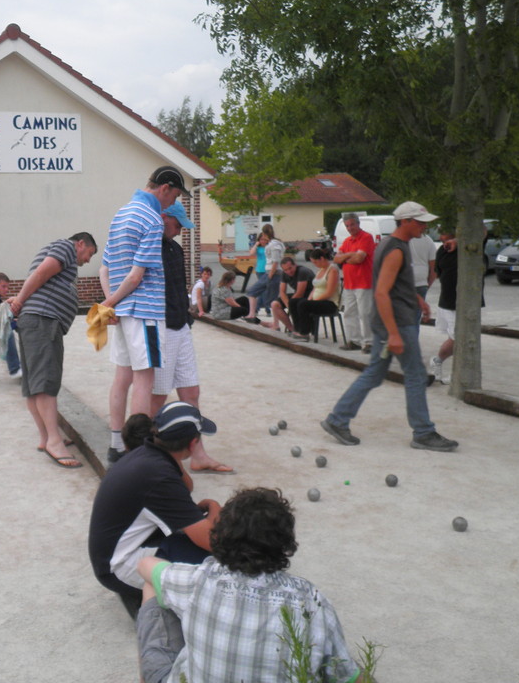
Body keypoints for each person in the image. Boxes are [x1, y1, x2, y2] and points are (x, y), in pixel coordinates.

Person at [135, 487, 360, 683]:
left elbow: (145, 564)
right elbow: (347, 676)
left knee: (153, 584)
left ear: (223, 535)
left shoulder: (201, 578)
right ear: (285, 543)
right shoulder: (311, 599)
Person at [320, 202, 459, 451]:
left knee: (374, 374)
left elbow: (393, 284)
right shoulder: (395, 249)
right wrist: (393, 333)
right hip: (396, 323)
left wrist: (417, 299)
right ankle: (423, 432)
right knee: (415, 376)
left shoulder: (395, 245)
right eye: (420, 222)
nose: (424, 226)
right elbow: (382, 292)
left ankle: (337, 420)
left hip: (394, 320)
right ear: (405, 222)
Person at [88, 401, 222, 618]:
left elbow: (186, 487)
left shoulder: (149, 453)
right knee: (220, 562)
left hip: (114, 553)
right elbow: (211, 540)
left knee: (200, 538)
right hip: (118, 568)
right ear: (193, 443)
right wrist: (216, 508)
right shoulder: (159, 476)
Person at [99, 166, 188, 465]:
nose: (171, 203)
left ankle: (115, 444)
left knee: (122, 377)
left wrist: (110, 304)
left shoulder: (121, 213)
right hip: (146, 311)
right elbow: (137, 276)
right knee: (144, 380)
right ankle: (136, 452)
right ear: (165, 187)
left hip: (123, 312)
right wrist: (110, 303)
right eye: (174, 195)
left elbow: (106, 267)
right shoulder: (151, 218)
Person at [151, 202, 233, 474]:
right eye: (176, 226)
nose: (178, 232)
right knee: (157, 396)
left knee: (191, 392)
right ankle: (147, 456)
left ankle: (198, 455)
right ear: (164, 218)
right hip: (161, 327)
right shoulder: (149, 245)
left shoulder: (176, 248)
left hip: (181, 326)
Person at [7, 232, 98, 469]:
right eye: (90, 253)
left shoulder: (62, 253)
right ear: (80, 244)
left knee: (33, 384)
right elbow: (41, 274)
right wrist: (19, 300)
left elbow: (42, 277)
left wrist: (21, 300)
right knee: (46, 382)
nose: (88, 260)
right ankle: (54, 442)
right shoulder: (65, 248)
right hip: (42, 322)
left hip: (36, 322)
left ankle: (46, 437)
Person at [333, 213, 375, 352]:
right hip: (349, 282)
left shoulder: (367, 237)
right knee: (349, 312)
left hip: (364, 281)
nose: (350, 228)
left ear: (358, 224)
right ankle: (354, 340)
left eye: (352, 224)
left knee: (365, 313)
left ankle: (369, 342)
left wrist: (345, 257)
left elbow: (359, 258)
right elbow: (336, 259)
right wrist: (351, 254)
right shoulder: (347, 241)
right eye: (347, 226)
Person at [289, 249, 340, 340]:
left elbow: (329, 292)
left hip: (329, 303)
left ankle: (304, 333)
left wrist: (314, 300)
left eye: (315, 262)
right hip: (317, 300)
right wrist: (309, 299)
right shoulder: (320, 270)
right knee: (294, 302)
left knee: (303, 304)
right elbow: (315, 288)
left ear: (322, 258)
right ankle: (298, 329)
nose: (315, 265)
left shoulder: (332, 271)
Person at [430, 228, 459, 384]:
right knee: (457, 338)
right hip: (449, 301)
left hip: (463, 301)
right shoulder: (443, 250)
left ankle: (440, 362)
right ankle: (438, 360)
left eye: (444, 235)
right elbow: (438, 272)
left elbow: (482, 232)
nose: (441, 238)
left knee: (457, 338)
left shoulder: (469, 246)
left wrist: (458, 242)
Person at [243, 224, 283, 323]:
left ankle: (275, 322)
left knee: (272, 299)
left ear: (265, 234)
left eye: (263, 236)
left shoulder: (274, 245)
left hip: (272, 273)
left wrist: (269, 276)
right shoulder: (270, 244)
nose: (263, 239)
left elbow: (275, 261)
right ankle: (252, 314)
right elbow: (251, 253)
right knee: (253, 292)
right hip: (263, 271)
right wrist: (256, 244)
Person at [269, 256, 313, 333]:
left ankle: (301, 329)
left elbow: (300, 292)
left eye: (290, 268)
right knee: (275, 304)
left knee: (296, 304)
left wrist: (291, 305)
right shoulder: (284, 274)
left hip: (309, 296)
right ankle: (292, 329)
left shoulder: (302, 271)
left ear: (295, 265)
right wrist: (287, 304)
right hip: (297, 296)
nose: (289, 271)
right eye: (285, 270)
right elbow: (282, 291)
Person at [409, 229, 437, 321]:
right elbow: (434, 267)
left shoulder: (403, 240)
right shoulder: (428, 240)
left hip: (405, 284)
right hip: (421, 283)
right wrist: (428, 284)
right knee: (416, 319)